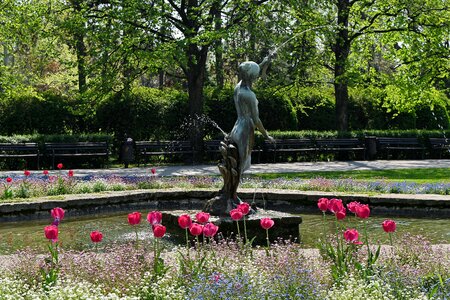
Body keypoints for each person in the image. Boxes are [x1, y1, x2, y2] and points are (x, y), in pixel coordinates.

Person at [228, 58, 275, 176]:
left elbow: (249, 72)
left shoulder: (238, 87)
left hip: (236, 129)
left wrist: (265, 62)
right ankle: (233, 194)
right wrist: (266, 135)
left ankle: (230, 192)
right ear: (253, 77)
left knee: (235, 165)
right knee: (241, 166)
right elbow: (256, 119)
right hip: (246, 131)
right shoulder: (249, 95)